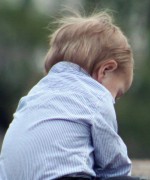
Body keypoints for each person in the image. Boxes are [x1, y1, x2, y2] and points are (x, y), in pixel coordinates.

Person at [0, 10, 139, 180]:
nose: (113, 101)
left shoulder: (34, 95)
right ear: (105, 70)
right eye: (116, 94)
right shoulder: (97, 96)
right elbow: (114, 164)